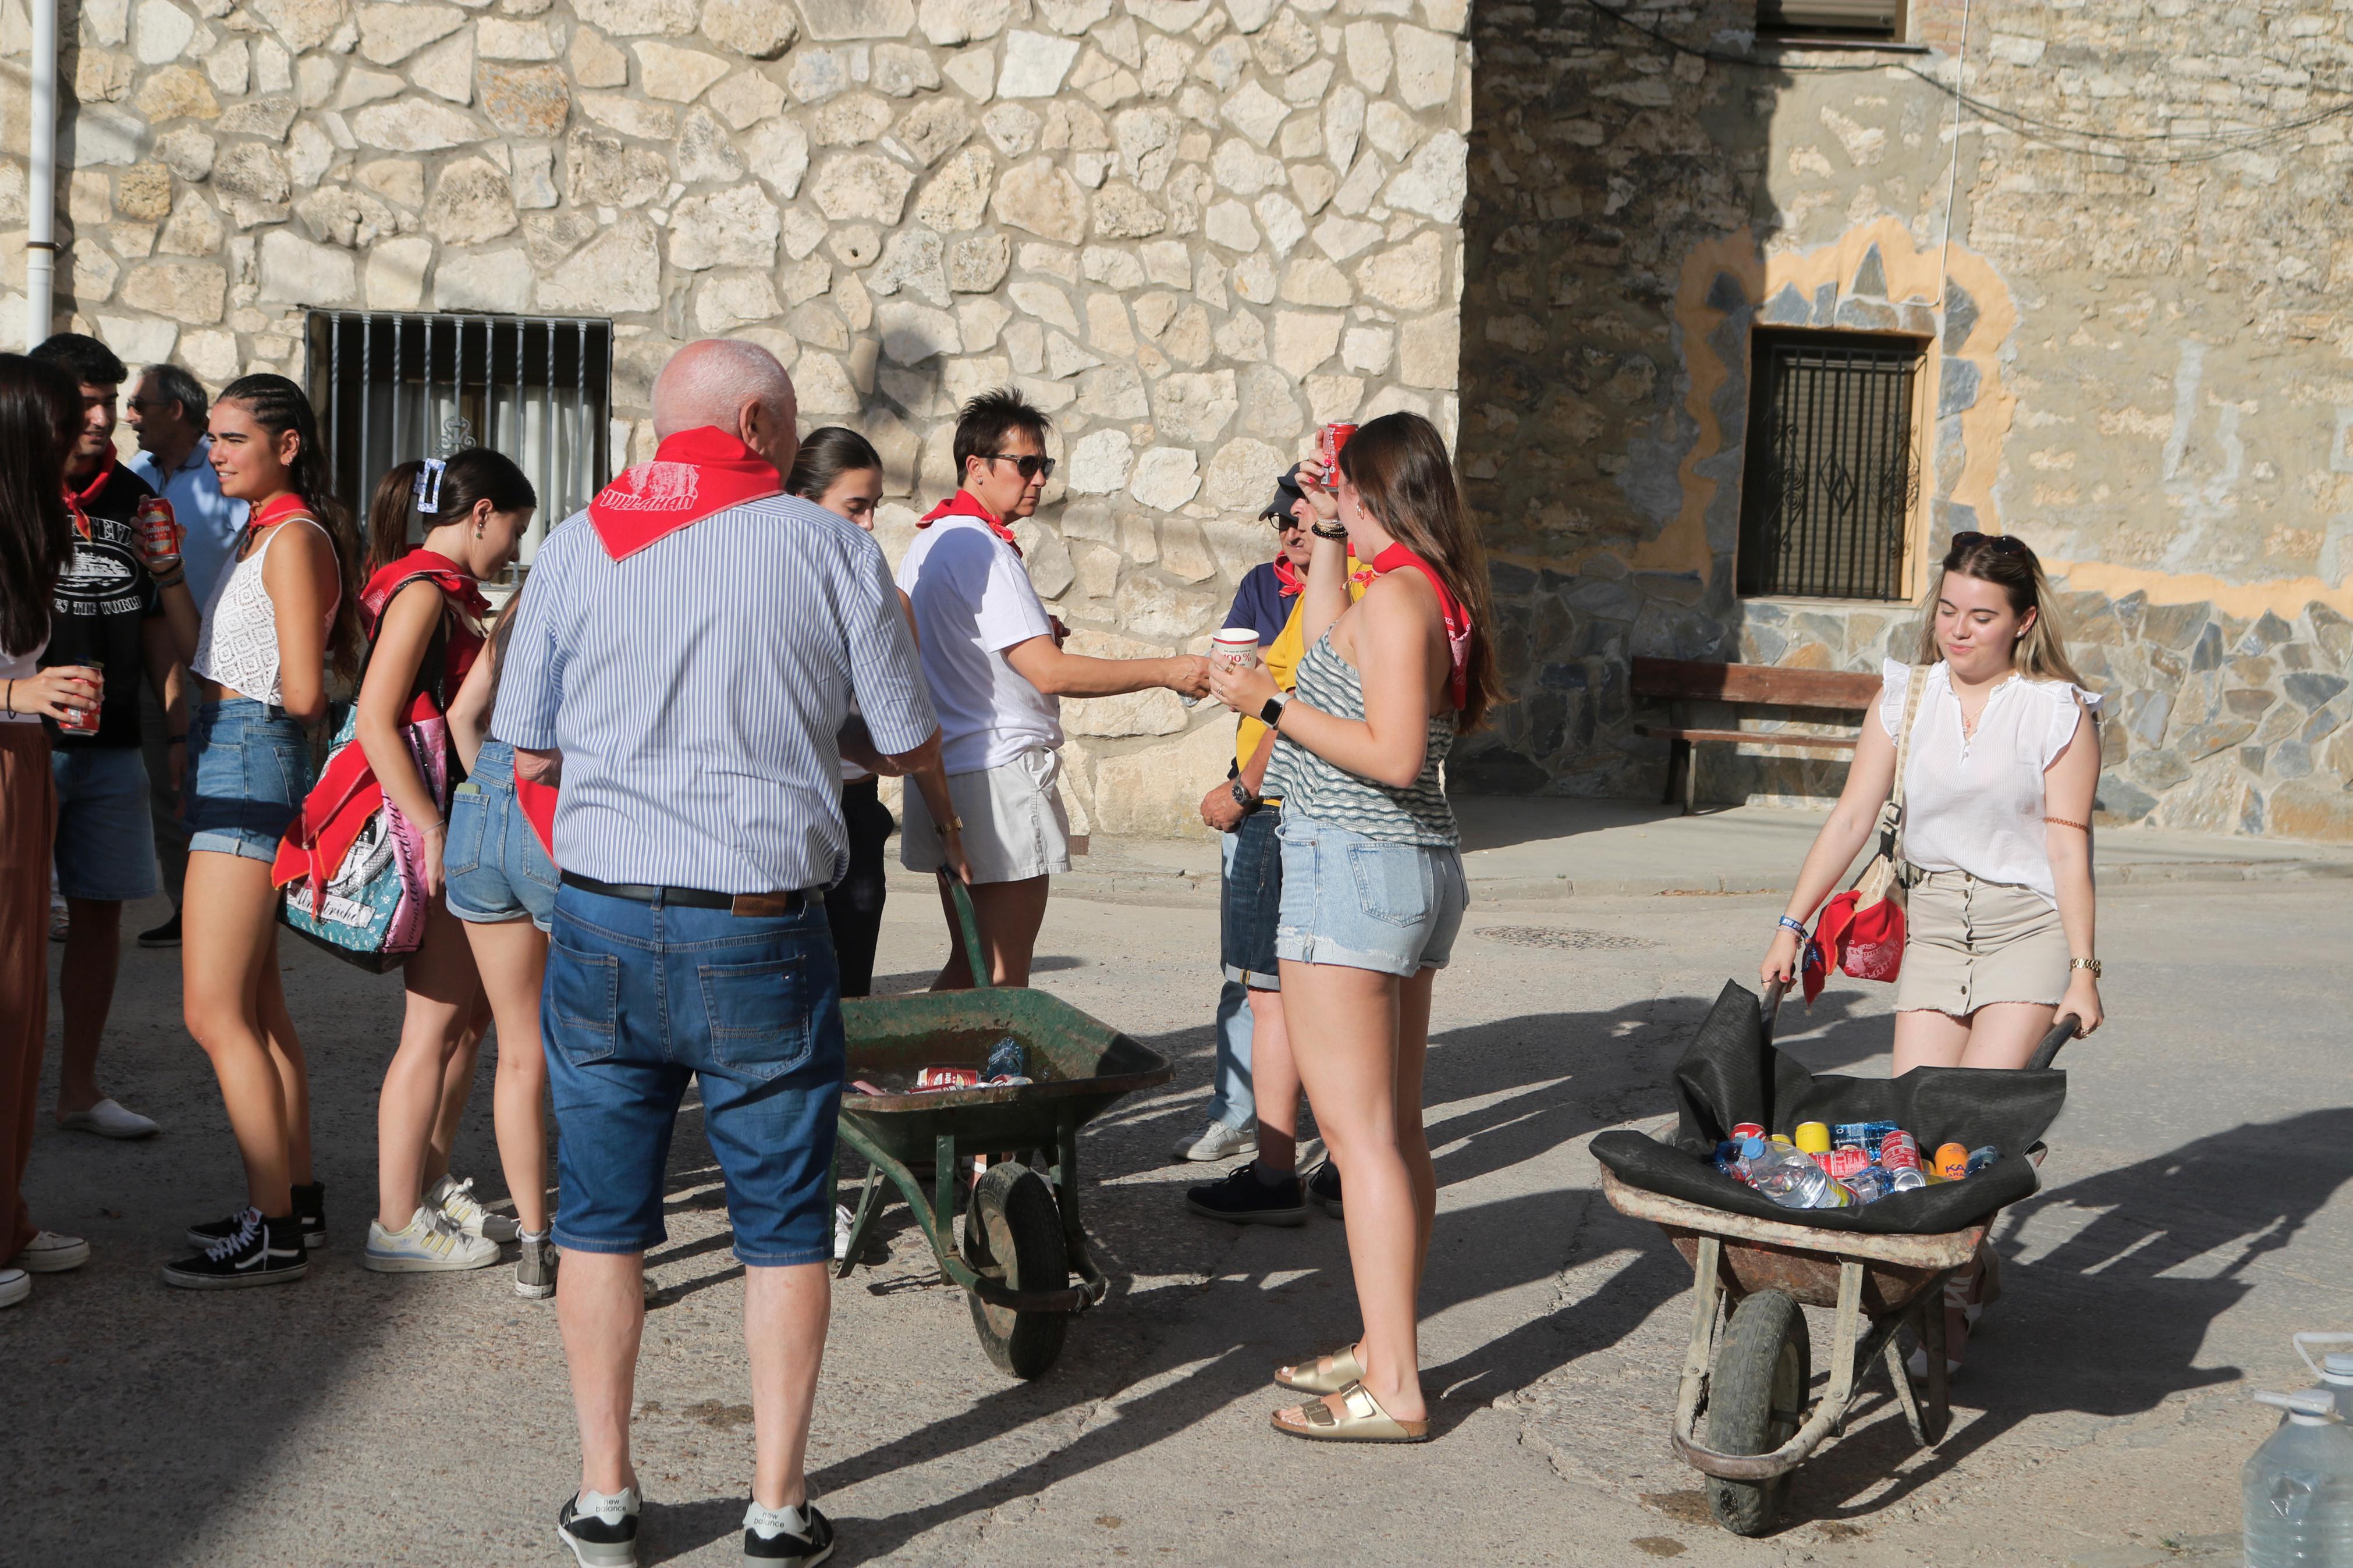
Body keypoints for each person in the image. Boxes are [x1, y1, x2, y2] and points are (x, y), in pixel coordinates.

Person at [496, 339, 954, 1566]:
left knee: (598, 1219)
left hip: (597, 914)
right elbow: (907, 738)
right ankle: (775, 1505)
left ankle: (603, 1498)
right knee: (780, 1221)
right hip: (756, 923)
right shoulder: (827, 547)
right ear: (756, 421)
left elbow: (526, 748)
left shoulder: (580, 543)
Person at [1208, 411, 1502, 1444]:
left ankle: (1396, 1388)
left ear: (1382, 496)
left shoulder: (1401, 606)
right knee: (1395, 1132)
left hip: (1352, 872)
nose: (1320, 509)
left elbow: (1386, 754)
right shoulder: (1413, 593)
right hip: (1405, 870)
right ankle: (1384, 1353)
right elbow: (1329, 624)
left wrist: (1268, 705)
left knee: (1359, 1142)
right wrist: (1327, 533)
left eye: (1342, 496)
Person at [1760, 530, 2102, 1378]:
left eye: (1980, 615)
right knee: (1909, 1134)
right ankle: (1966, 1269)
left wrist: (2083, 967)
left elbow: (2067, 843)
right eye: (1947, 610)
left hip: (2026, 922)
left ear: (2020, 622)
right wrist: (1791, 923)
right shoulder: (1904, 695)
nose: (1957, 629)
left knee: (1976, 1130)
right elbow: (1848, 817)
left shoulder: (2055, 709)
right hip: (1935, 915)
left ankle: (1942, 1297)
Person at [896, 387, 1209, 989]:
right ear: (976, 467)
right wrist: (1167, 669)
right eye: (1025, 465)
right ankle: (986, 1081)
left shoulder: (932, 539)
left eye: (1046, 466)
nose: (1039, 479)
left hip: (947, 773)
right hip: (997, 773)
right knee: (1002, 975)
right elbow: (1049, 672)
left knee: (972, 964)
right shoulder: (979, 545)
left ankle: (928, 1077)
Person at [164, 373, 363, 1290]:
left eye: (232, 437)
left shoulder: (292, 538)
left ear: (286, 444)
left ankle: (271, 1225)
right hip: (232, 749)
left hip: (252, 751)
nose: (215, 451)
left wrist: (241, 715)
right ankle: (295, 1201)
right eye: (211, 436)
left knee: (213, 1011)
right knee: (257, 1005)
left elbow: (305, 692)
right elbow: (214, 646)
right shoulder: (265, 531)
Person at [358, 451, 538, 1275]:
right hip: (438, 827)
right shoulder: (426, 590)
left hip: (459, 827)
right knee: (429, 1029)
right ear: (481, 513)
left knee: (464, 1023)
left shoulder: (439, 590)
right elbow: (373, 719)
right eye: (514, 528)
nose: (512, 547)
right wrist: (430, 825)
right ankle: (396, 1218)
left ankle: (424, 1188)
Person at [1183, 465, 1361, 1225]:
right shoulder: (1287, 585)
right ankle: (1328, 1158)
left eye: (1309, 516)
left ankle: (1280, 1168)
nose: (1294, 528)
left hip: (1284, 808)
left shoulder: (1347, 591)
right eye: (1284, 517)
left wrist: (1245, 789)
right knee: (1316, 990)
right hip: (1322, 811)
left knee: (1272, 991)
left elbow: (1293, 708)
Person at [30, 333, 196, 1143]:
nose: (102, 418)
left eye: (110, 400)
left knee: (101, 916)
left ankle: (79, 1088)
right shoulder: (12, 488)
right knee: (15, 920)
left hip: (114, 742)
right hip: (21, 739)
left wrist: (175, 722)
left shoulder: (135, 498)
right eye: (85, 402)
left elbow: (164, 627)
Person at [782, 426, 963, 1000]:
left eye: (873, 508)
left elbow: (916, 727)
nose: (866, 525)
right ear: (802, 503)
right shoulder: (766, 593)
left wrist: (947, 829)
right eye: (853, 507)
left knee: (849, 997)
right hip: (780, 810)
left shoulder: (888, 597)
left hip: (855, 814)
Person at [0, 353, 101, 1309]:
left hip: (23, 768)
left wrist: (40, 701)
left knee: (21, 1008)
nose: (86, 438)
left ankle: (7, 1212)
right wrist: (18, 693)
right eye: (68, 425)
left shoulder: (33, 529)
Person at [445, 570, 564, 1299]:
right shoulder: (615, 599)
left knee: (518, 1050)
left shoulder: (523, 603)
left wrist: (491, 792)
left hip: (483, 804)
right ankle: (598, 1243)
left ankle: (532, 1243)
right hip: (554, 802)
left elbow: (463, 716)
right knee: (587, 1050)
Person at [125, 361, 247, 950]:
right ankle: (187, 909)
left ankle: (238, 909)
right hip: (152, 655)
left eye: (139, 405)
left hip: (218, 662)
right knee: (166, 786)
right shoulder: (135, 473)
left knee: (215, 788)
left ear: (175, 410)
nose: (128, 418)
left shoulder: (223, 474)